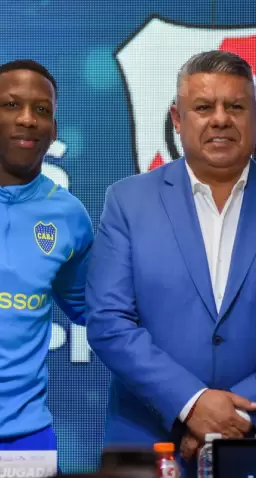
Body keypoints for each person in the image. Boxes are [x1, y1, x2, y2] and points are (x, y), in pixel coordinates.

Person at [86, 50, 256, 477]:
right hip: (150, 445)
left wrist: (235, 419)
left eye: (236, 106)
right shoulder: (127, 202)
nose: (220, 119)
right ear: (176, 117)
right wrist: (191, 404)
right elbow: (109, 321)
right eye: (204, 107)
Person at [0, 60, 93, 452]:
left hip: (25, 437)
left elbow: (99, 311)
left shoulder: (69, 215)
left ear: (53, 131)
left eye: (42, 110)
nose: (27, 119)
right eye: (10, 105)